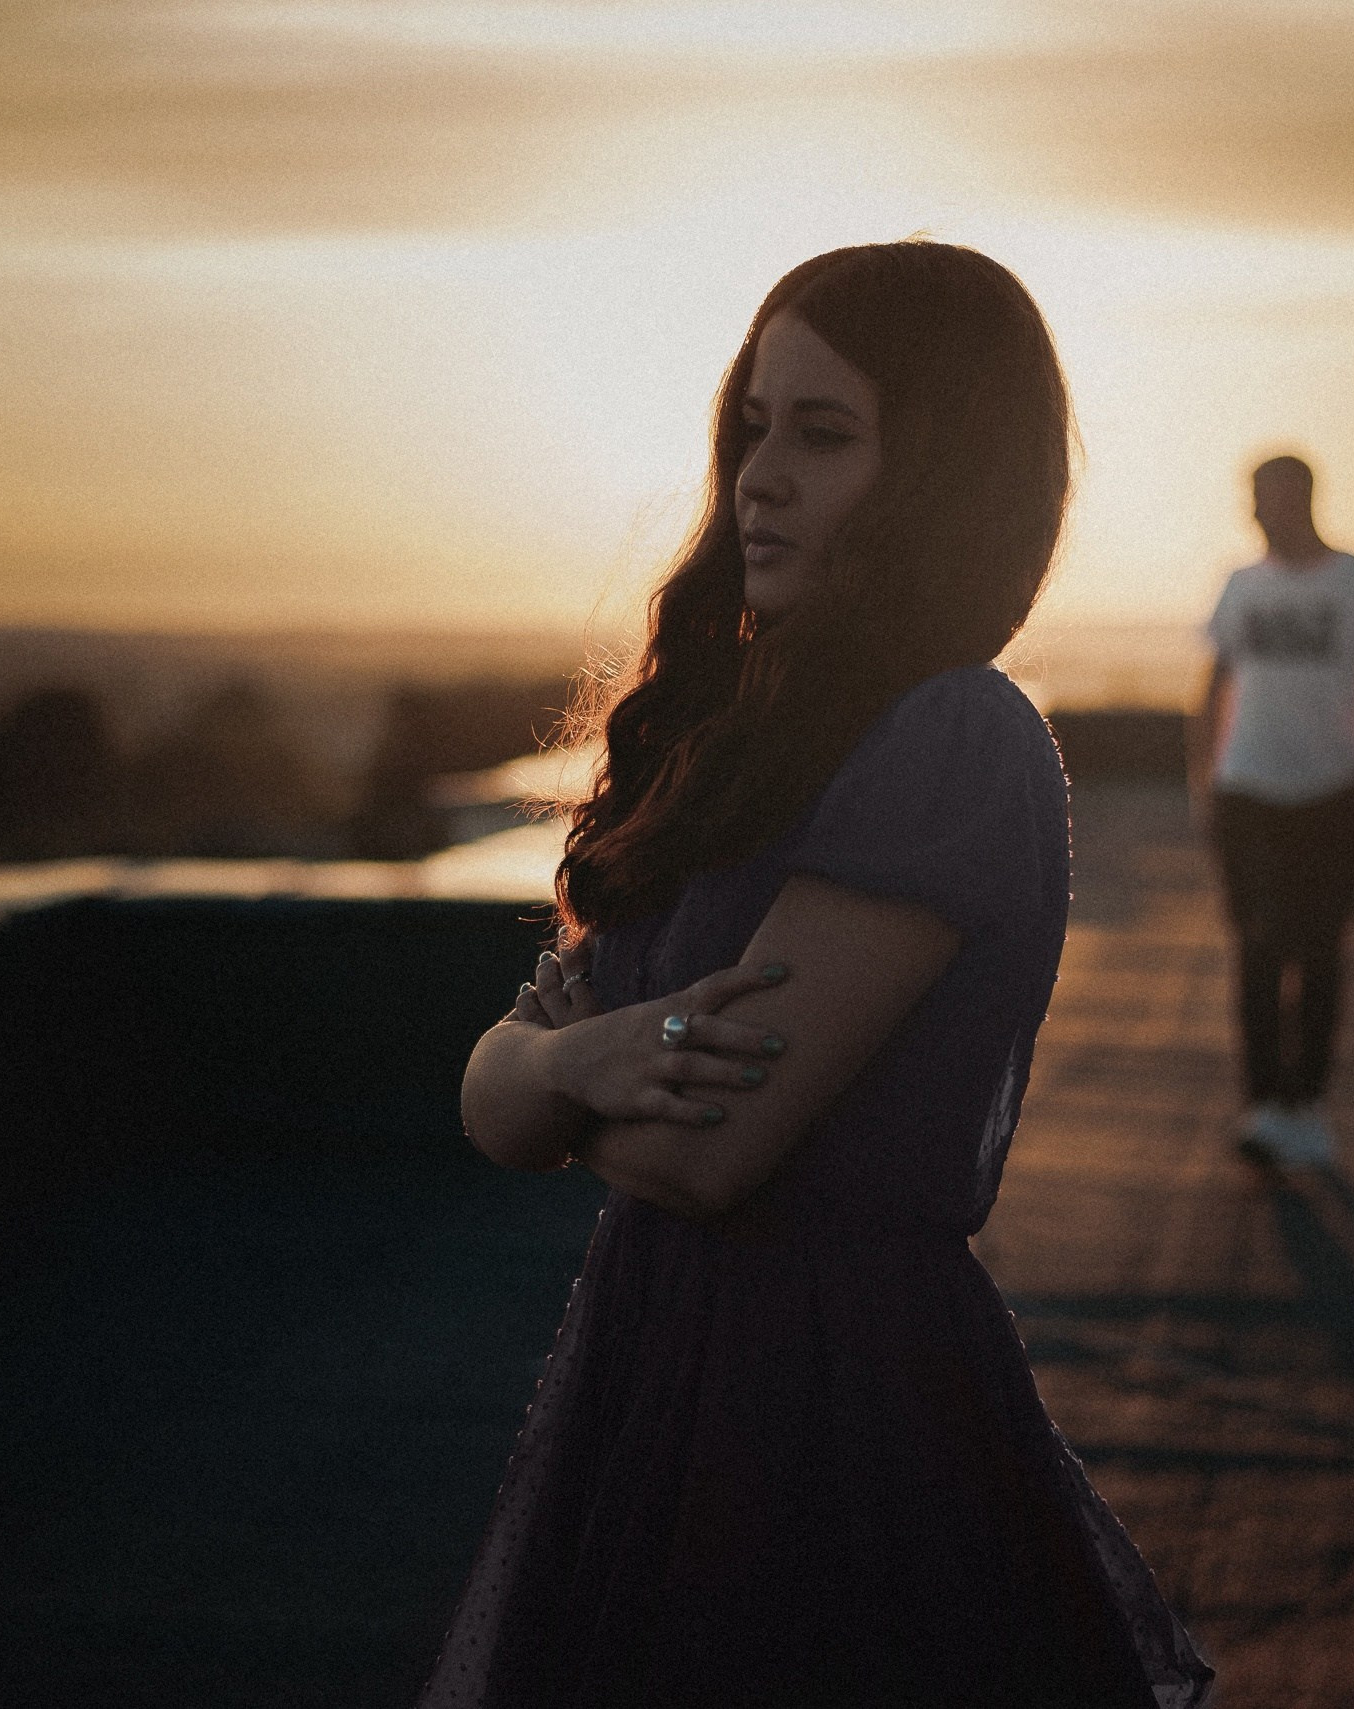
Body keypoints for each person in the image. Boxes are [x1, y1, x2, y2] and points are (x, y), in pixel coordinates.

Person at [421, 243, 1213, 1708]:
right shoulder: (723, 738)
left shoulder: (957, 739)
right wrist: (579, 1062)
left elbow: (714, 1150)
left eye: (824, 434)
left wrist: (565, 1069)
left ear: (946, 473)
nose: (758, 478)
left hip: (829, 1409)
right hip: (655, 1367)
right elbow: (496, 1097)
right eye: (752, 427)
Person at [1192, 453, 1354, 1170]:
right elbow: (1210, 686)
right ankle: (1265, 1104)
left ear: (1298, 497)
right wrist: (1203, 778)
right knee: (1257, 945)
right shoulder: (1240, 586)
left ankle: (1307, 1105)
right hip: (1247, 789)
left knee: (1320, 945)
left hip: (1338, 791)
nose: (1253, 512)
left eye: (1263, 498)